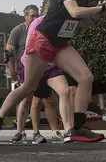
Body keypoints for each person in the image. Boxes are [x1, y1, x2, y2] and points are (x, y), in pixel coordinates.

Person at [0, 0, 106, 144]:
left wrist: (100, 13)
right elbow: (73, 11)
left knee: (86, 77)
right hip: (44, 40)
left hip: (61, 43)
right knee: (28, 86)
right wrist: (98, 8)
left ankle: (77, 128)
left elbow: (86, 21)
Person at [20, 11, 71, 144]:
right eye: (31, 15)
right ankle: (24, 132)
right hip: (34, 63)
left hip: (51, 64)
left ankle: (67, 131)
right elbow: (28, 47)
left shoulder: (64, 23)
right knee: (29, 100)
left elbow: (64, 44)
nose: (33, 17)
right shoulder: (36, 23)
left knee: (63, 91)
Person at [4, 5, 39, 144]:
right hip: (23, 69)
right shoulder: (17, 31)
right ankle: (20, 132)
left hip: (39, 68)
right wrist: (12, 70)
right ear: (25, 16)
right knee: (23, 101)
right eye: (32, 16)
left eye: (37, 15)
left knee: (40, 100)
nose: (35, 18)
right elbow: (8, 51)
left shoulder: (40, 29)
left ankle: (36, 133)